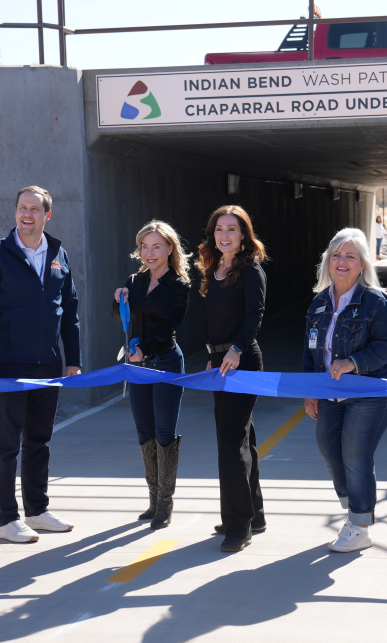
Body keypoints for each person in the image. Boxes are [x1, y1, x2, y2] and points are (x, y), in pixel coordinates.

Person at [0, 186, 81, 543]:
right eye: (21, 208)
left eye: (34, 208)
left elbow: (70, 313)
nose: (26, 214)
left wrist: (73, 360)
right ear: (15, 212)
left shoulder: (59, 253)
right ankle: (7, 520)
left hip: (48, 362)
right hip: (8, 363)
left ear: (48, 214)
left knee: (40, 440)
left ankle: (37, 510)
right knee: (7, 443)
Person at [302, 227, 387, 552]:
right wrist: (310, 389)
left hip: (372, 390)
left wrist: (353, 362)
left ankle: (360, 526)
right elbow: (310, 351)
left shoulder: (375, 301)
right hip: (331, 391)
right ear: (328, 262)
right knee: (329, 450)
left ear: (362, 265)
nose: (341, 261)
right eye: (337, 255)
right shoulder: (319, 303)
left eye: (350, 256)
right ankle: (354, 510)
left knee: (356, 455)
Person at [196, 205, 268, 552]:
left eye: (232, 229)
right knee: (242, 438)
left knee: (230, 441)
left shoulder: (250, 271)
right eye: (219, 229)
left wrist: (236, 349)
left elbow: (255, 315)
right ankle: (253, 513)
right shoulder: (213, 269)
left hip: (242, 362)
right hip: (219, 360)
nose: (224, 235)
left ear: (243, 235)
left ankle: (238, 528)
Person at [112, 221, 191, 530]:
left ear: (169, 248)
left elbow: (168, 328)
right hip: (138, 367)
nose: (149, 253)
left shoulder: (179, 285)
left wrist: (144, 349)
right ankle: (153, 499)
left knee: (164, 433)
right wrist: (118, 298)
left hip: (166, 363)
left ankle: (165, 505)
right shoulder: (135, 280)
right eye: (145, 247)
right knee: (144, 432)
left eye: (156, 246)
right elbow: (122, 316)